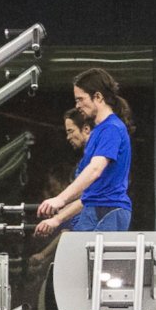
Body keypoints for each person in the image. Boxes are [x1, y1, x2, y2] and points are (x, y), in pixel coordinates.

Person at [38, 67, 134, 234]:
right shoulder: (99, 131)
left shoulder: (111, 128)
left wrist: (60, 199)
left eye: (81, 99)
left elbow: (95, 169)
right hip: (95, 210)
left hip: (108, 211)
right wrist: (57, 219)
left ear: (98, 97)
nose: (77, 105)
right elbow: (88, 193)